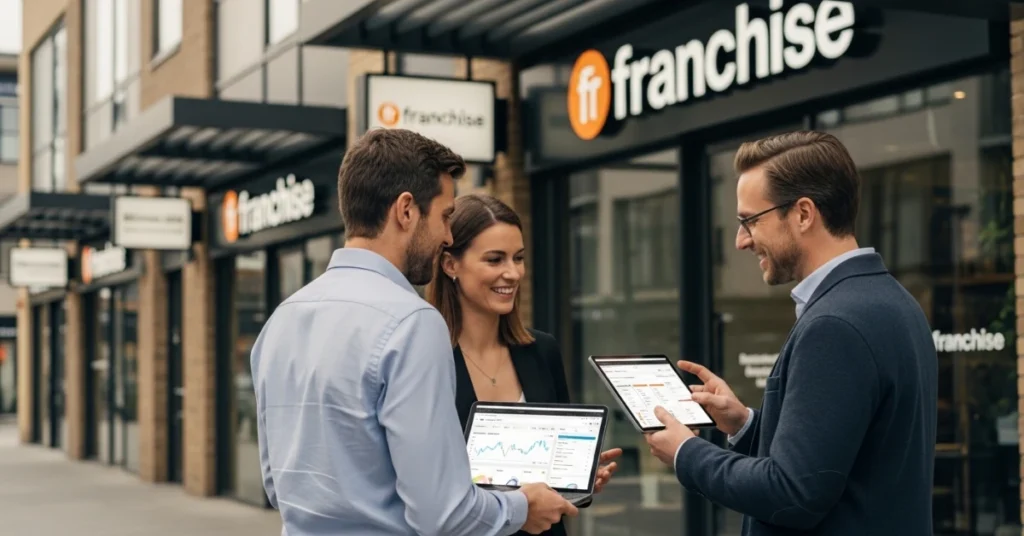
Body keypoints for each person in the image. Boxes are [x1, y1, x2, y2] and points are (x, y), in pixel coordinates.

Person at [249, 128, 579, 536]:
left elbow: (277, 483)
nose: (448, 236)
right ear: (406, 210)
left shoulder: (281, 320)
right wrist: (521, 507)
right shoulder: (412, 323)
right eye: (444, 215)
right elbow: (442, 514)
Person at [644, 131, 938, 535]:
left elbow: (793, 493)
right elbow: (839, 458)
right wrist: (745, 424)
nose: (741, 240)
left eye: (750, 221)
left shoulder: (835, 324)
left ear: (803, 214)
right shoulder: (894, 302)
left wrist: (687, 454)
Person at [426, 194, 623, 536]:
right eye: (495, 259)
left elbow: (555, 490)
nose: (513, 273)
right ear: (450, 265)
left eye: (518, 258)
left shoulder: (541, 350)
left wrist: (578, 479)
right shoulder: (427, 361)